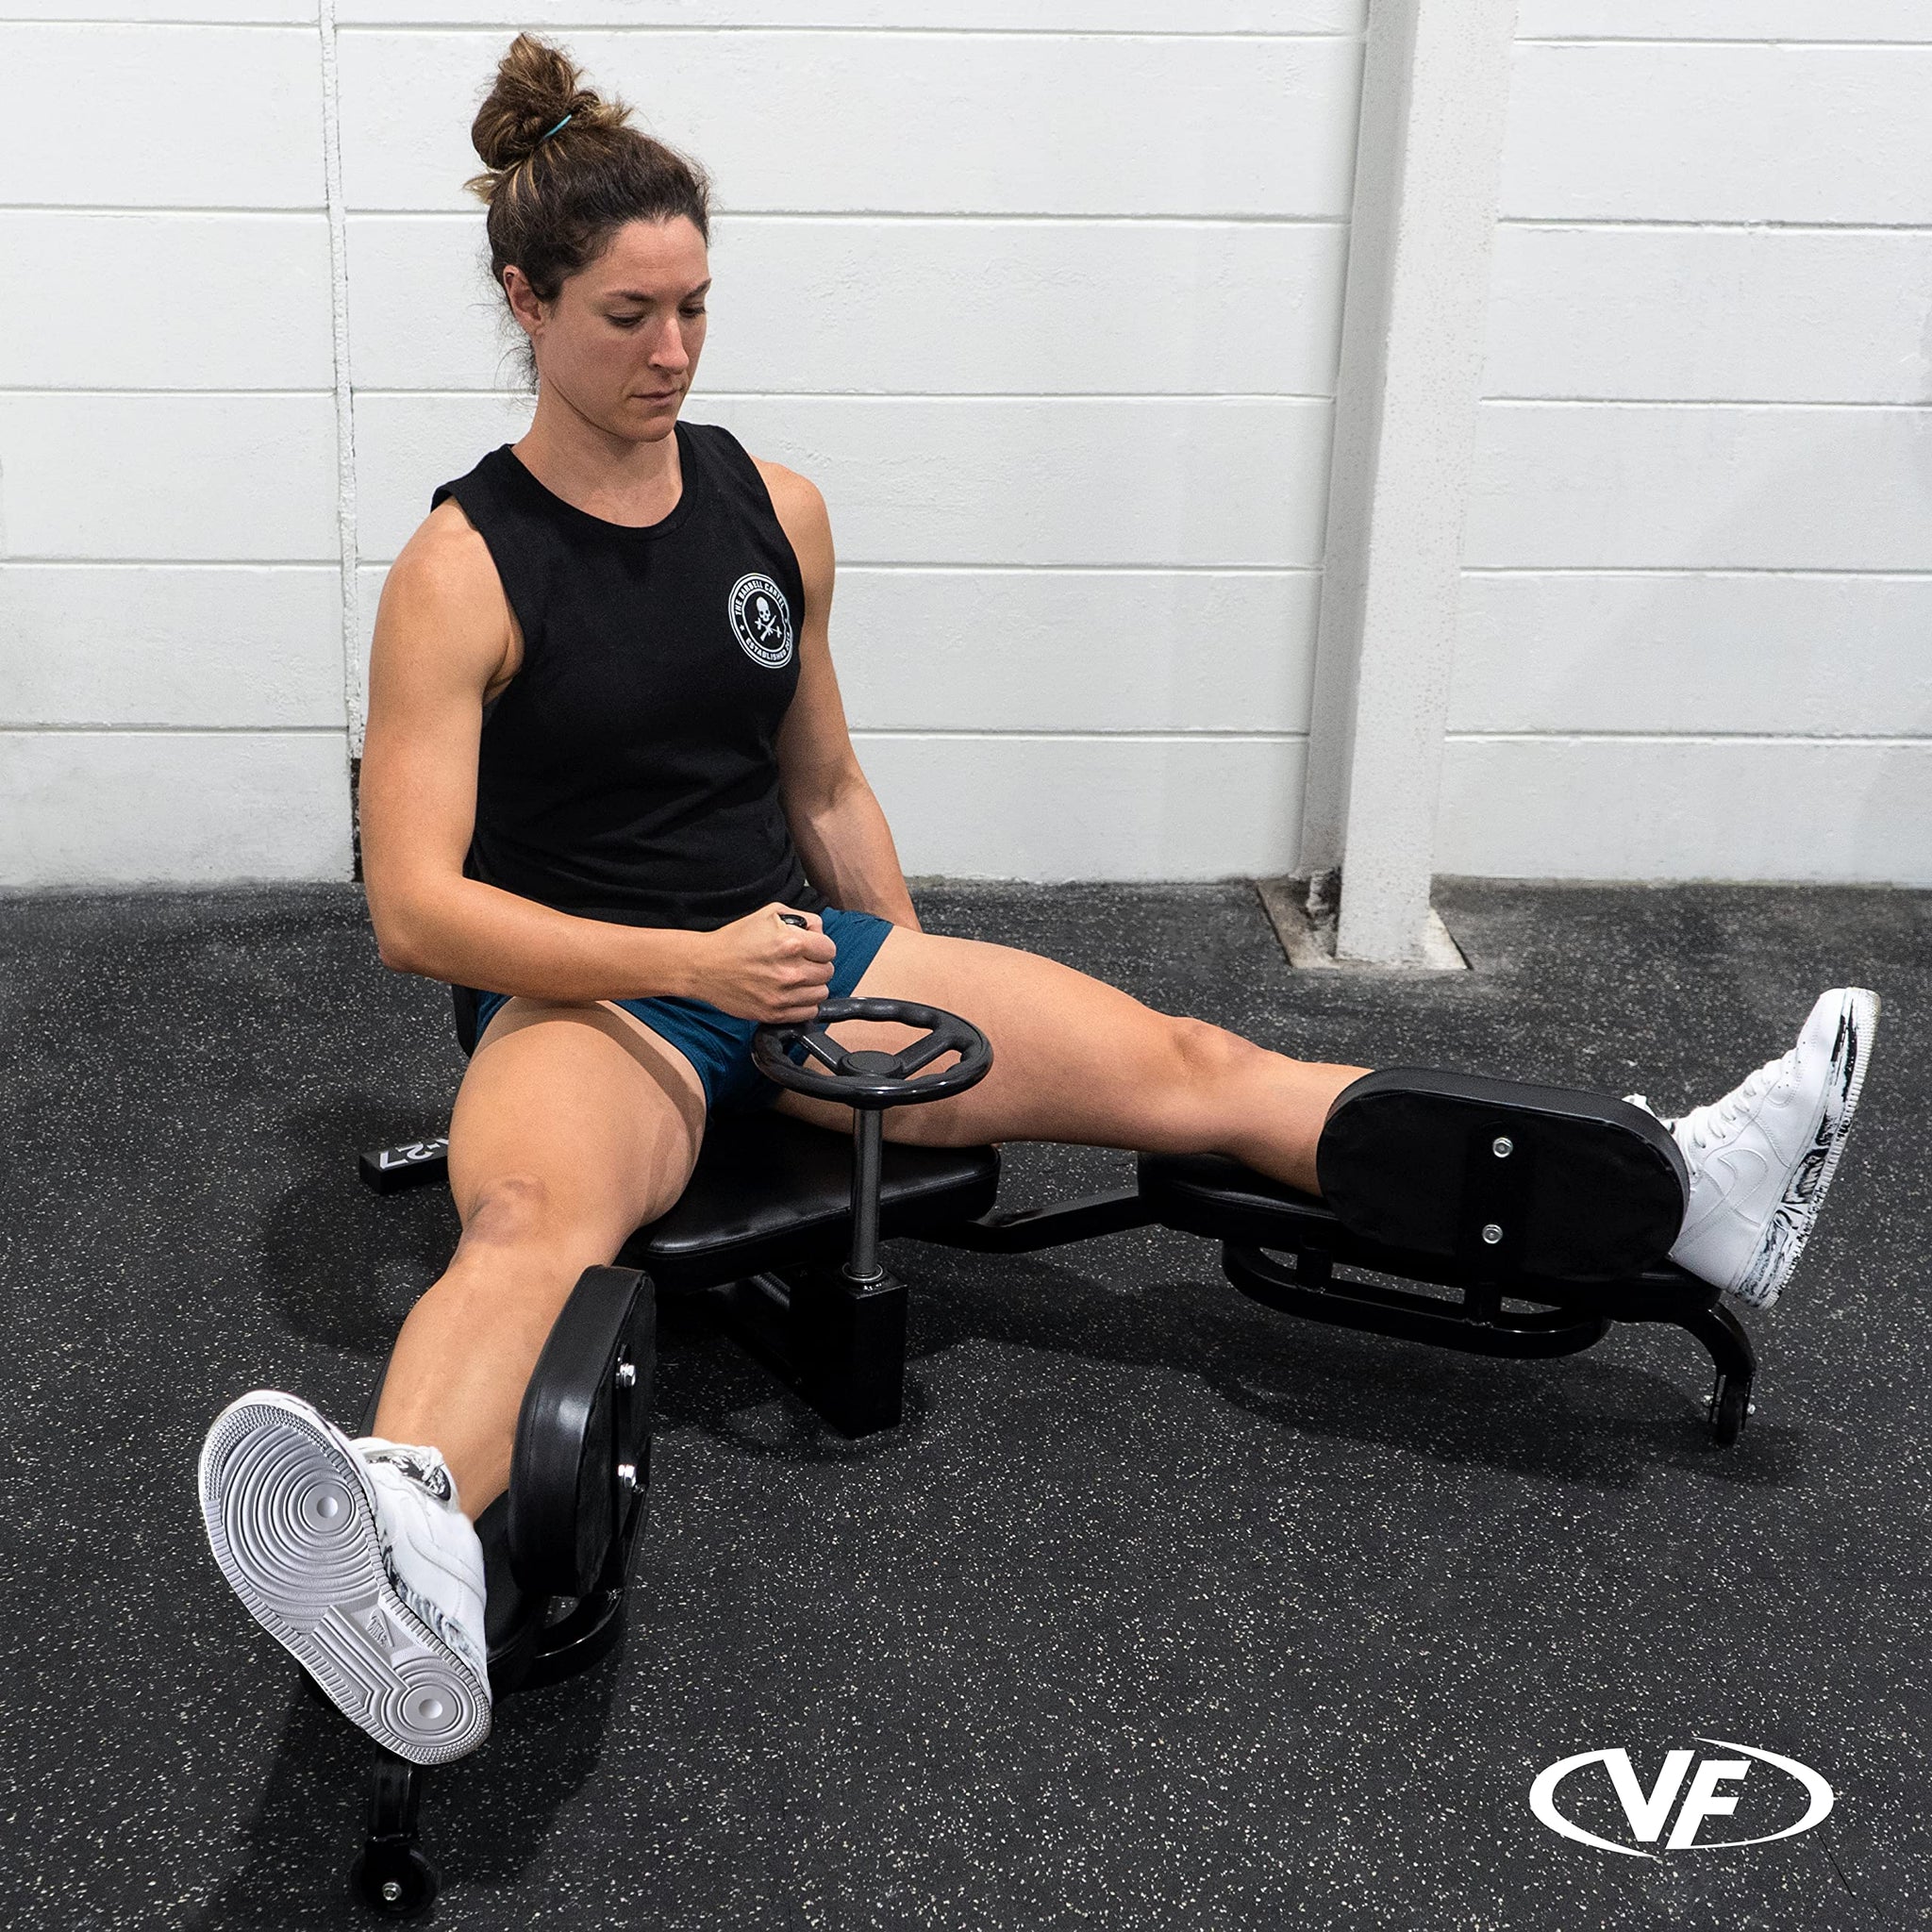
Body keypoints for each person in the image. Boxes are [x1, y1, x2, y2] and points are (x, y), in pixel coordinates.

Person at [196, 34, 1879, 1771]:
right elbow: (415, 911)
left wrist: (907, 983)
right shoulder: (461, 567)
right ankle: (405, 1550)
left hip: (798, 964)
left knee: (1198, 1064)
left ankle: (1679, 1194)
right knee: (530, 1225)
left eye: (695, 307)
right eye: (629, 316)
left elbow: (823, 791)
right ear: (527, 302)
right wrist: (692, 961)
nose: (674, 352)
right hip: (591, 1000)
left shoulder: (773, 509)